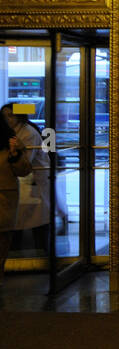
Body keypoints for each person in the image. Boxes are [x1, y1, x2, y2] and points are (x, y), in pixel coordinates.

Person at [1, 103, 53, 246]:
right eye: (4, 116)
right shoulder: (15, 131)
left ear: (19, 116)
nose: (7, 119)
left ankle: (39, 256)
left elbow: (25, 163)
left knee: (33, 222)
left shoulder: (27, 133)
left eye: (11, 116)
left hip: (33, 181)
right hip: (27, 184)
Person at [0, 113, 33, 287]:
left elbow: (24, 170)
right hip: (5, 198)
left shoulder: (11, 143)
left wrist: (15, 155)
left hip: (4, 200)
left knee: (2, 243)